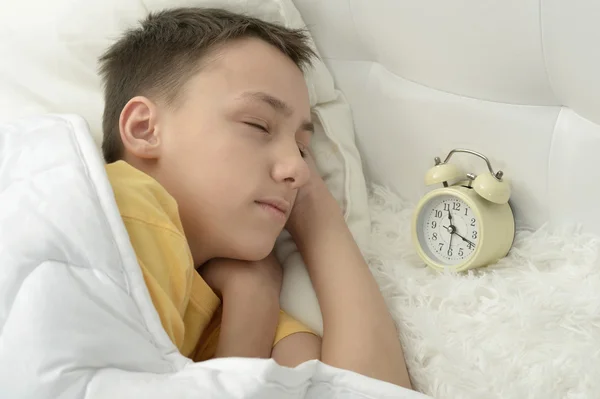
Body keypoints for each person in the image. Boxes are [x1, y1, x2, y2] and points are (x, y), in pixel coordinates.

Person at [99, 7, 411, 388]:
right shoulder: (121, 208)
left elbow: (370, 391)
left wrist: (317, 217)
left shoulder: (228, 299)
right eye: (258, 124)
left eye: (302, 148)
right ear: (145, 129)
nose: (297, 171)